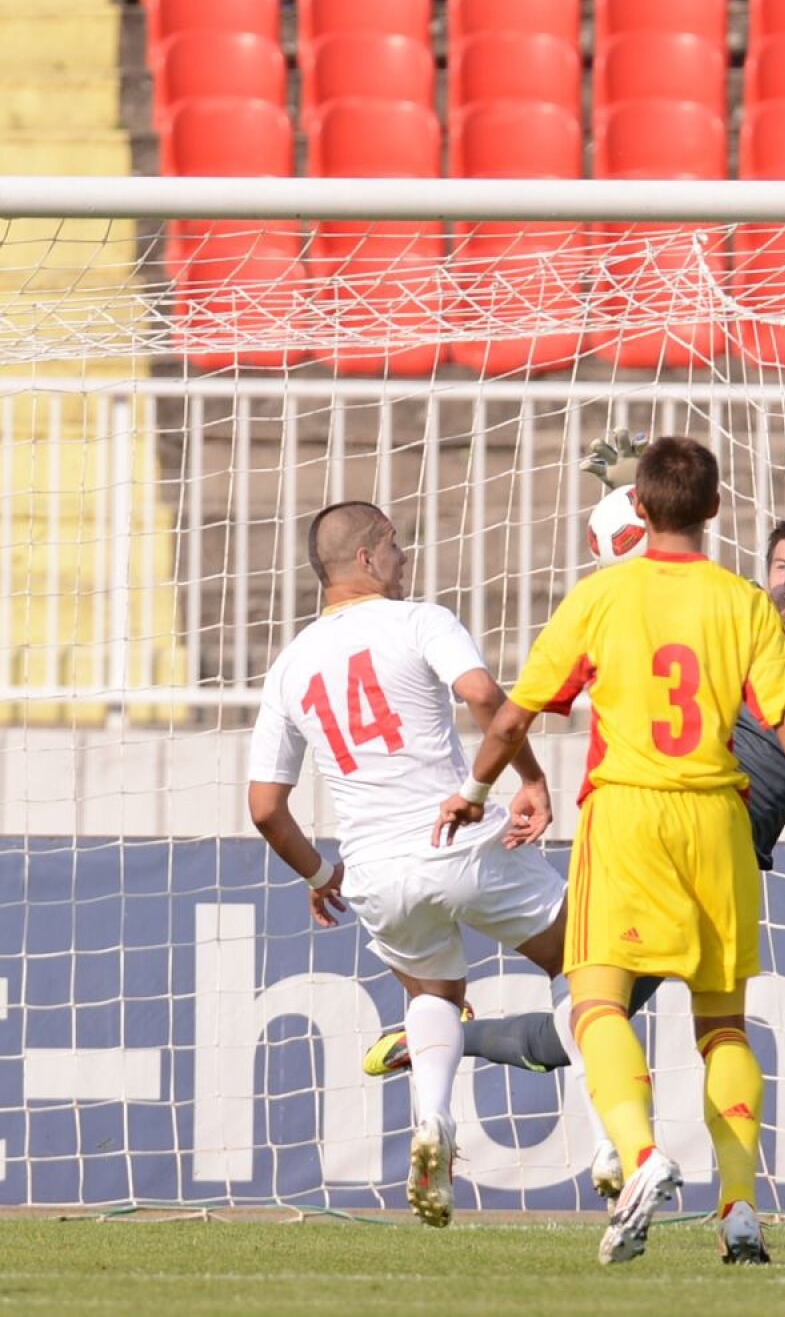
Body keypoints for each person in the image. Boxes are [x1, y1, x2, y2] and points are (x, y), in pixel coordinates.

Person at [367, 413, 785, 1213]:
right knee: (580, 1027)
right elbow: (667, 585)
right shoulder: (735, 609)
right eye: (779, 563)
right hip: (693, 830)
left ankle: (457, 1044)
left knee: (593, 1020)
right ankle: (448, 1039)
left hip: (705, 837)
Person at [431, 437, 785, 1267]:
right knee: (723, 1025)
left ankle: (639, 1155)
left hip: (628, 816)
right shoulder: (743, 604)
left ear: (639, 508)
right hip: (717, 823)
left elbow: (515, 716)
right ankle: (739, 1209)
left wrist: (478, 791)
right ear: (713, 510)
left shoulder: (601, 598)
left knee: (595, 1003)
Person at [245, 500, 598, 1231]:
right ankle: (612, 1148)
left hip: (373, 866)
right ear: (369, 558)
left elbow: (264, 807)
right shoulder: (419, 621)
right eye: (396, 546)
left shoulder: (287, 668)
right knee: (593, 967)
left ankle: (432, 1122)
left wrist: (319, 875)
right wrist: (526, 779)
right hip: (459, 839)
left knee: (432, 993)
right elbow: (485, 700)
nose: (405, 559)